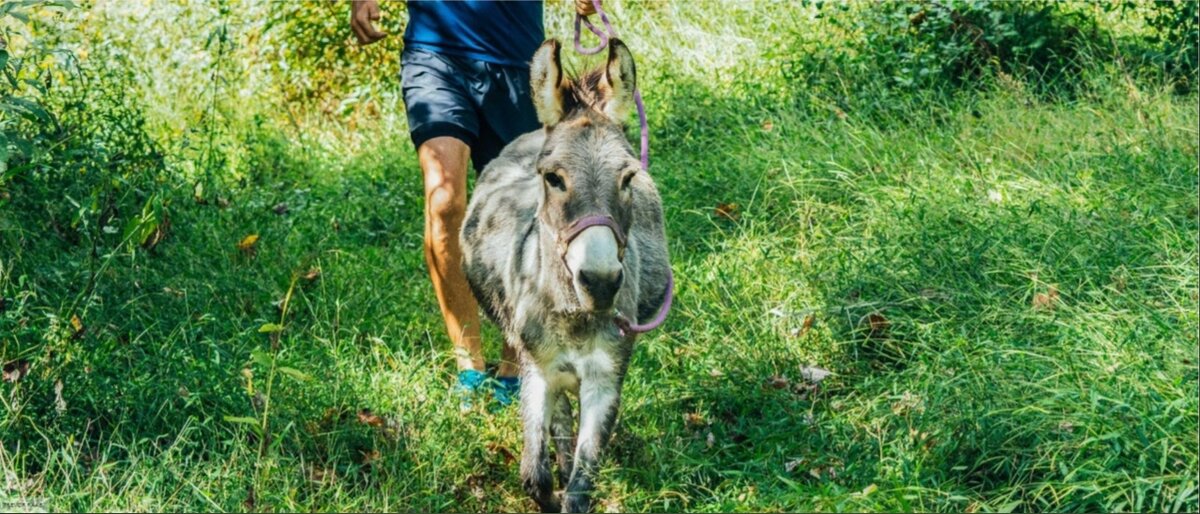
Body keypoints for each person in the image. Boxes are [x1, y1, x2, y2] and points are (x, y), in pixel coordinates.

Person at [349, 0, 596, 408]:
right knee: (444, 200)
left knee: (526, 213)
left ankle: (514, 365)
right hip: (435, 54)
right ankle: (469, 366)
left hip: (517, 60)